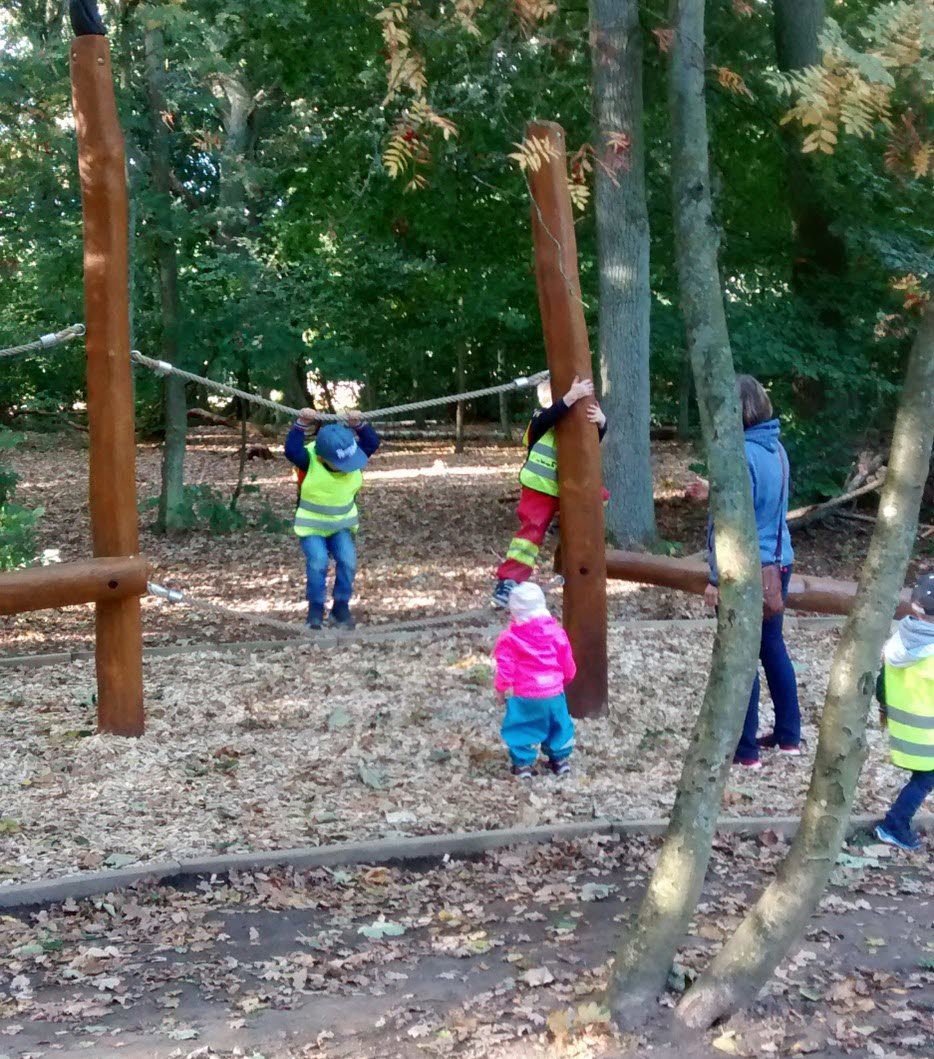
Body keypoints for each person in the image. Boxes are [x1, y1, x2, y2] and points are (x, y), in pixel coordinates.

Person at [687, 375, 800, 769]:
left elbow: (730, 526)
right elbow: (758, 503)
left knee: (743, 654)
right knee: (772, 646)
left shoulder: (737, 456)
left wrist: (716, 579)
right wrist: (713, 490)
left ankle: (746, 749)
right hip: (779, 561)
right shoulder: (776, 448)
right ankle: (789, 736)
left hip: (749, 568)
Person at [492, 375, 607, 609]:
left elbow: (592, 442)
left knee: (600, 497)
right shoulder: (540, 419)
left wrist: (602, 423)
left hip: (570, 486)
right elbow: (551, 416)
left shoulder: (577, 424)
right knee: (531, 532)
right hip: (540, 487)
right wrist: (570, 397)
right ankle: (509, 580)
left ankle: (564, 530)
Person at [284, 409, 380, 629]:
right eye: (340, 463)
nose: (348, 468)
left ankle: (340, 609)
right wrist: (301, 423)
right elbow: (291, 450)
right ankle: (315, 612)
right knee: (318, 562)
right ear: (322, 458)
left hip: (341, 525)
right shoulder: (309, 461)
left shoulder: (352, 456)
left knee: (348, 561)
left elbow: (372, 442)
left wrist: (358, 424)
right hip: (312, 527)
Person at [873, 573, 934, 851]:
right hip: (926, 735)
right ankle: (894, 824)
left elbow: (881, 684)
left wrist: (884, 709)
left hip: (903, 728)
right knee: (924, 780)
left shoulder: (899, 638)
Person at [492, 581, 577, 780]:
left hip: (526, 694)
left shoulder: (510, 638)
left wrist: (501, 688)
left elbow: (505, 665)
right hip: (553, 691)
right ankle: (560, 760)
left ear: (514, 611)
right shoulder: (556, 632)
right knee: (559, 725)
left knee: (522, 726)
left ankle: (523, 764)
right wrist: (568, 676)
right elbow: (566, 657)